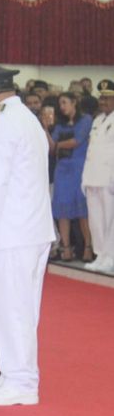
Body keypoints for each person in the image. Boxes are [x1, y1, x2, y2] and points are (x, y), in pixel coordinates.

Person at [0, 59, 55, 406]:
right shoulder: (25, 118)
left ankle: (22, 383)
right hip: (29, 229)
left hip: (10, 232)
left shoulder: (4, 122)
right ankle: (13, 374)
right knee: (19, 307)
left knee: (12, 307)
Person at [46, 92, 93, 262]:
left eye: (65, 102)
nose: (62, 107)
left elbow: (77, 140)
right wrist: (45, 128)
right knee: (62, 211)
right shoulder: (59, 125)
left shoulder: (86, 120)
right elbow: (51, 148)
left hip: (79, 168)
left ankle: (88, 247)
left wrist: (57, 144)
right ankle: (66, 248)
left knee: (83, 212)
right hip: (62, 170)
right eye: (60, 104)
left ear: (74, 102)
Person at [82, 80, 114, 273]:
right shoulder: (97, 120)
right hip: (93, 176)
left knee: (110, 220)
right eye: (101, 97)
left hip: (109, 178)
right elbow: (91, 150)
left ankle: (111, 256)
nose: (103, 101)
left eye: (107, 97)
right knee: (96, 220)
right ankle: (100, 255)